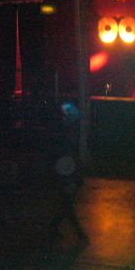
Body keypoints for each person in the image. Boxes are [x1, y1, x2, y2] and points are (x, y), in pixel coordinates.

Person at [46, 101, 88, 242]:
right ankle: (77, 232)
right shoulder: (65, 134)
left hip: (64, 170)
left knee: (66, 201)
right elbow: (66, 155)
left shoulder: (61, 132)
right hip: (64, 170)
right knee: (67, 201)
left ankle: (56, 227)